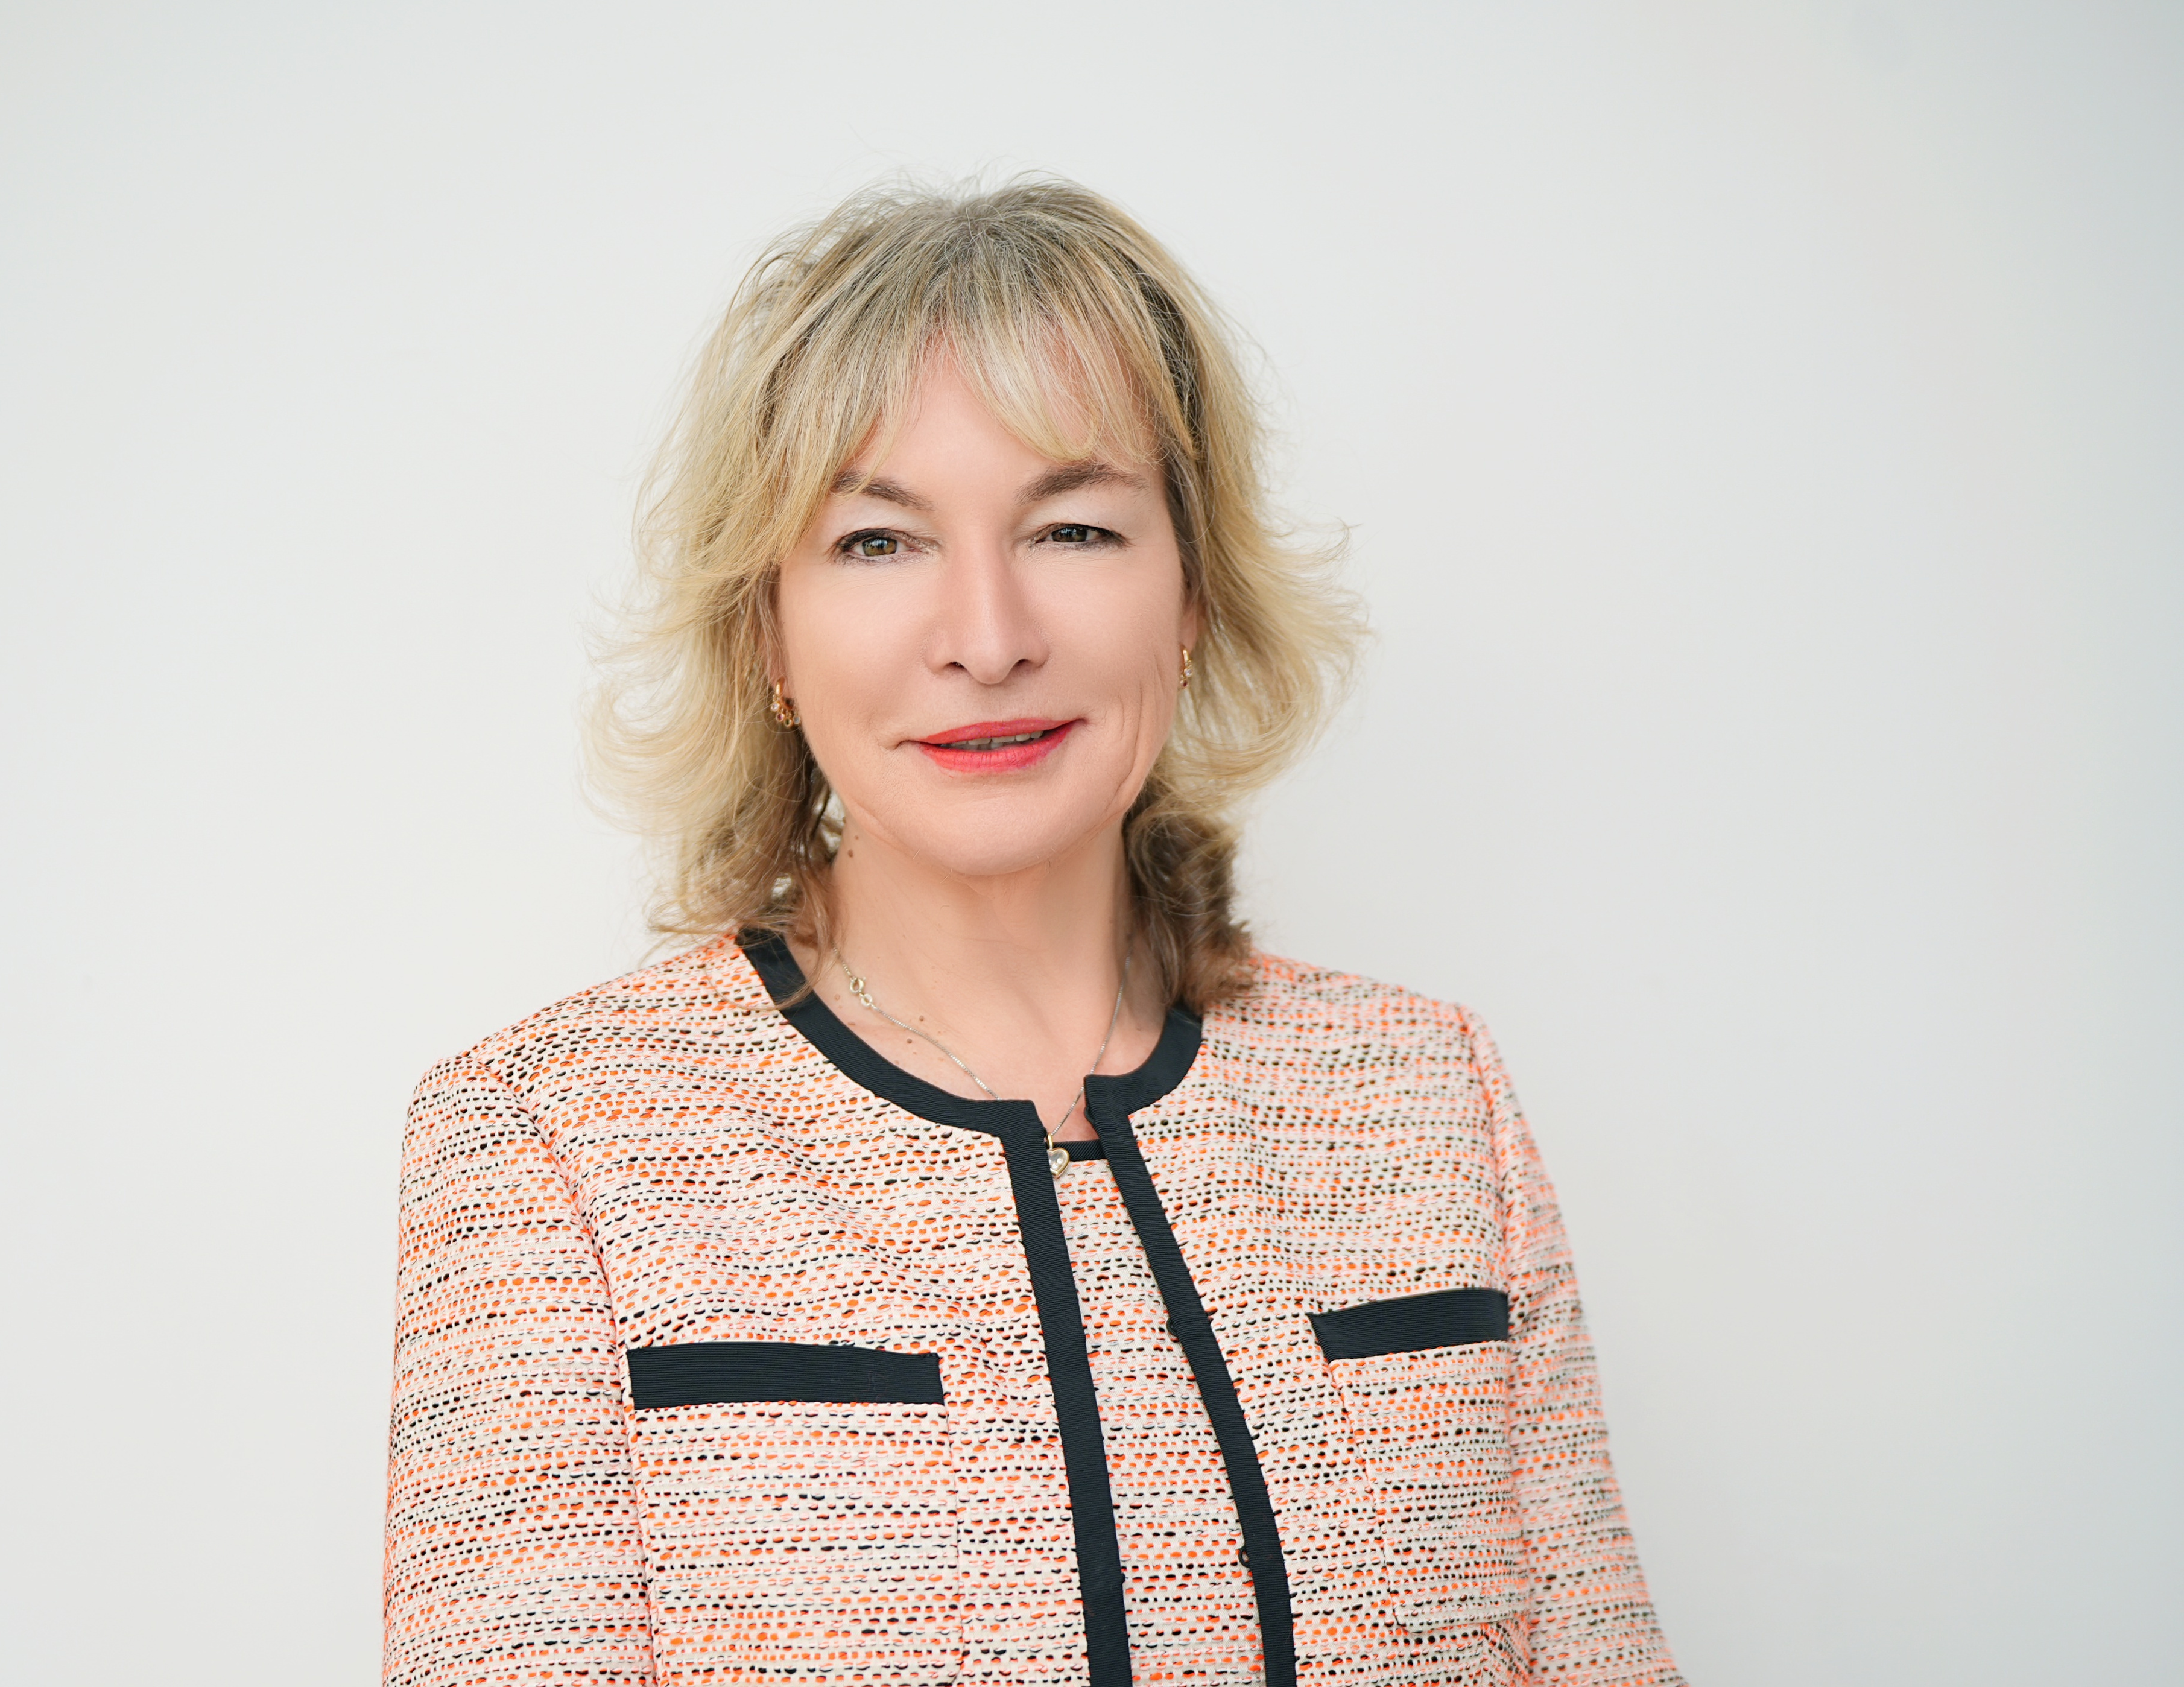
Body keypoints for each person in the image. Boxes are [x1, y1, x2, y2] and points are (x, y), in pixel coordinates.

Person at [382, 177, 1679, 1687]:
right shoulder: (551, 1145)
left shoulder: (1431, 1095)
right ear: (768, 638)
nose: (989, 635)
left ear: (1190, 598)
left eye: (1072, 527)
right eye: (879, 541)